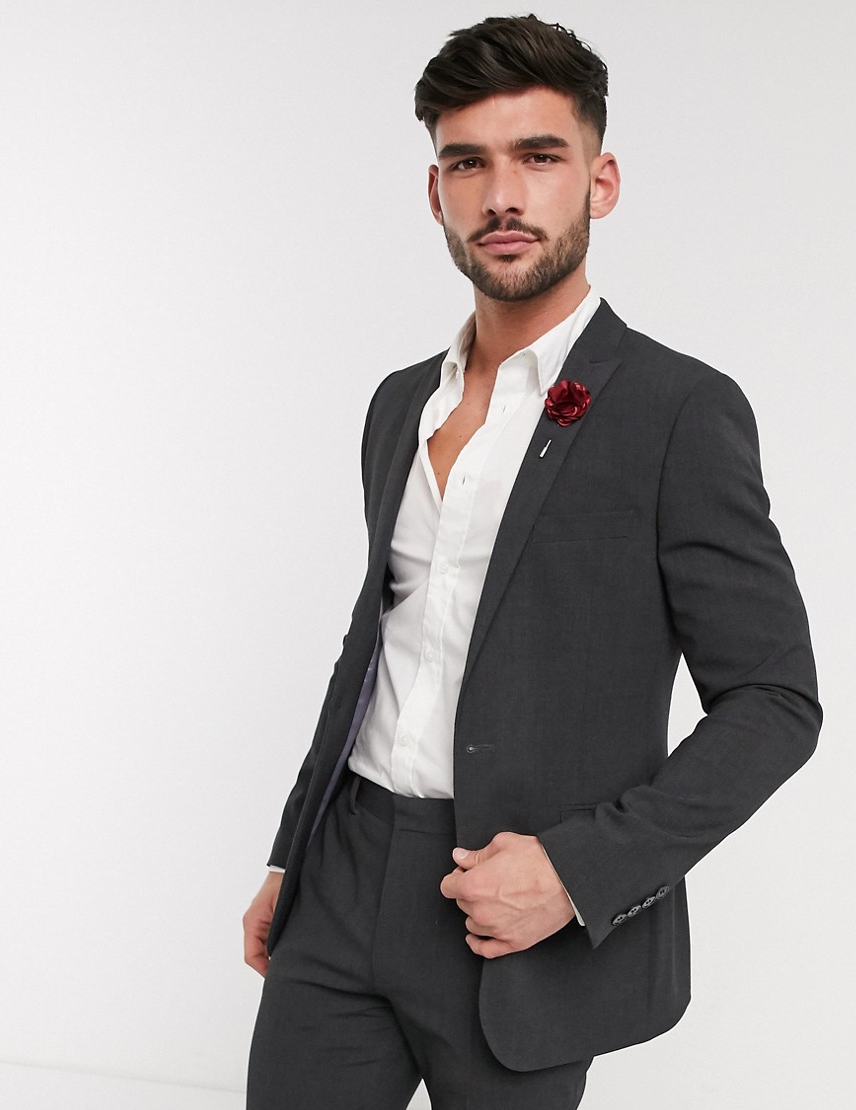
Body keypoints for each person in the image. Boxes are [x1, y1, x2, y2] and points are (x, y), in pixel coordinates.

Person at [243, 15, 821, 1110]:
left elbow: (775, 702)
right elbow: (379, 641)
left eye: (539, 157)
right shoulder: (398, 405)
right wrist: (293, 851)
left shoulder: (676, 410)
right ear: (436, 193)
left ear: (601, 182)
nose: (502, 196)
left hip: (514, 919)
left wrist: (576, 871)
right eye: (469, 163)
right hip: (344, 876)